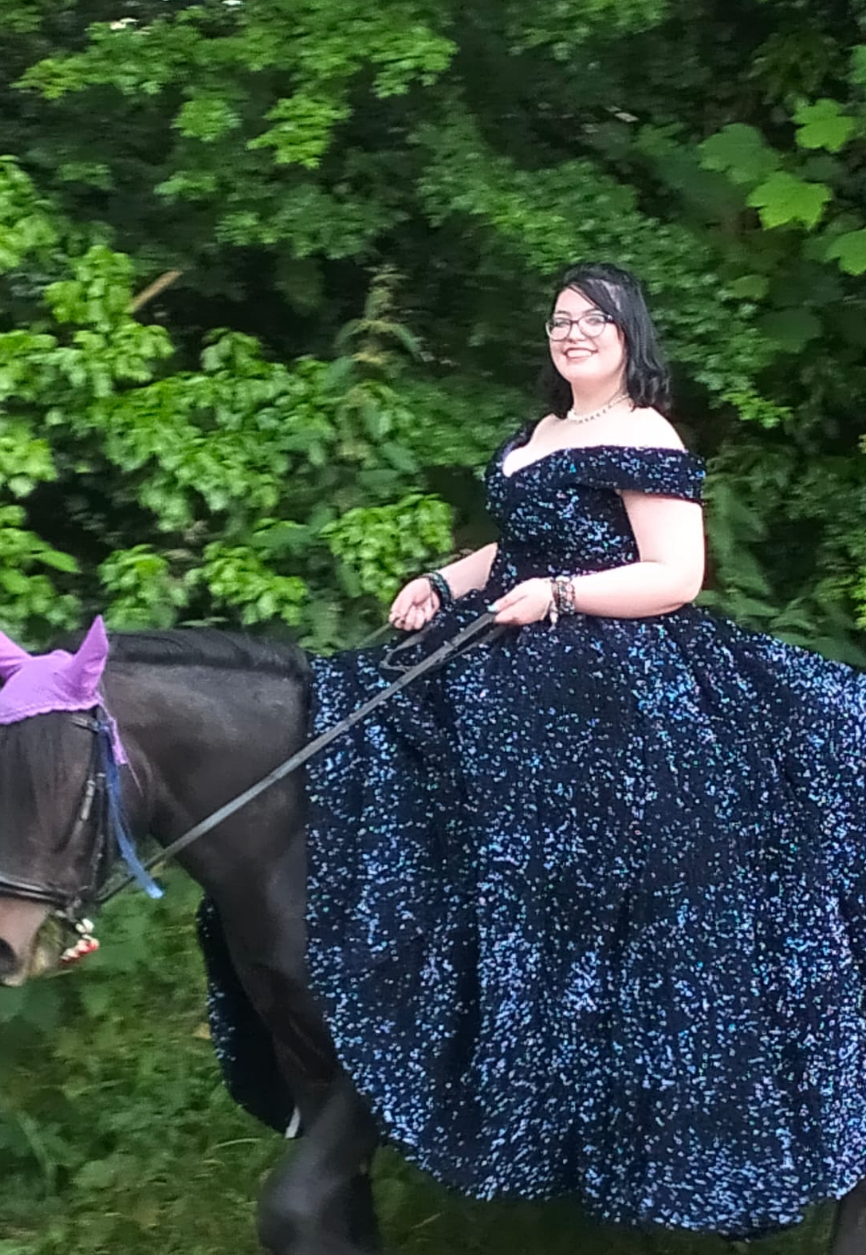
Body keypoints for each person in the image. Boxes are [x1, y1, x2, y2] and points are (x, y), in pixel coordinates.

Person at [303, 261, 866, 1240]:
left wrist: (562, 597)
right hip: (506, 643)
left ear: (628, 334)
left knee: (633, 834)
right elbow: (517, 546)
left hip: (614, 663)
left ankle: (630, 1067)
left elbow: (675, 575)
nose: (573, 333)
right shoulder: (544, 433)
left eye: (593, 320)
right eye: (562, 320)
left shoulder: (643, 434)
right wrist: (445, 578)